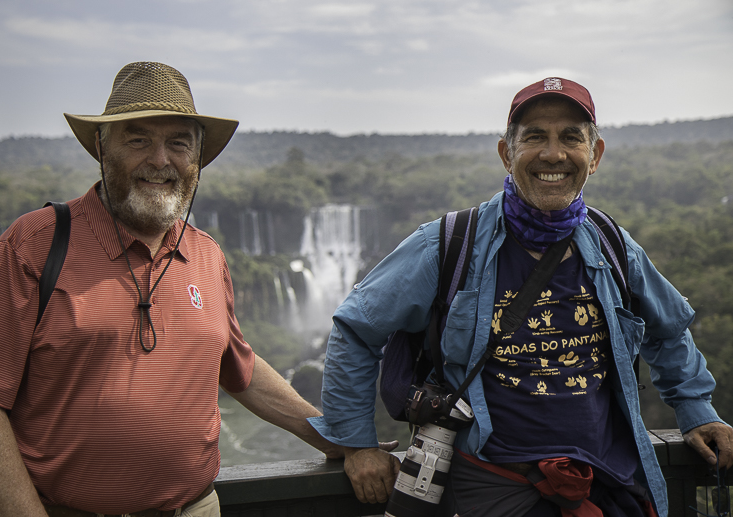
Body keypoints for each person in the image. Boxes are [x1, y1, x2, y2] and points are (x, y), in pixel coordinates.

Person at [309, 77, 733, 516]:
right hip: (496, 486)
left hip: (608, 478)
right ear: (506, 154)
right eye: (534, 137)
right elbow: (355, 329)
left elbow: (668, 329)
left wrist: (696, 409)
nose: (553, 154)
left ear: (595, 156)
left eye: (571, 137)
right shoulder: (448, 244)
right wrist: (357, 444)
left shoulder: (612, 245)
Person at [0, 61, 347, 517]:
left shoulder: (207, 255)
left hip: (197, 508)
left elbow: (239, 367)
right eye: (138, 140)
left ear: (197, 158)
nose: (160, 160)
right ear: (101, 146)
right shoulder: (33, 245)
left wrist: (335, 439)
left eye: (178, 143)